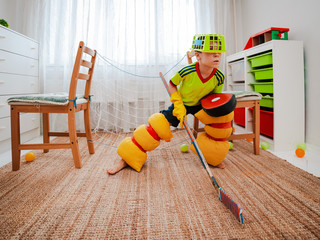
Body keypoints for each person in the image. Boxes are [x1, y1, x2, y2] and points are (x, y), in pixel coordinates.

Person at [107, 34, 228, 175]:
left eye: (219, 54)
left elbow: (215, 97)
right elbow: (172, 84)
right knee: (157, 126)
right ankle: (126, 159)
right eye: (211, 53)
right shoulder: (187, 71)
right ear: (198, 56)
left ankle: (214, 156)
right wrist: (177, 103)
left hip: (201, 104)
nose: (217, 56)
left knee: (220, 122)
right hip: (182, 103)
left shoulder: (219, 76)